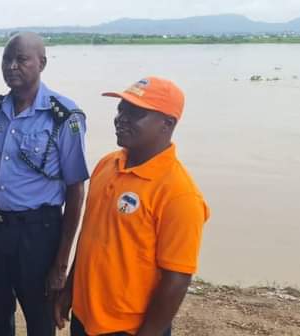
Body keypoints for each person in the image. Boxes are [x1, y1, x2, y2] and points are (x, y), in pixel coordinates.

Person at [54, 77, 210, 335]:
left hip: (128, 328)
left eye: (135, 113)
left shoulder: (180, 195)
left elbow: (177, 279)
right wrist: (70, 290)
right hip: (85, 316)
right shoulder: (107, 165)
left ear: (167, 123)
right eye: (121, 109)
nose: (121, 118)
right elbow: (89, 236)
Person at [0, 32, 89, 336]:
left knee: (39, 320)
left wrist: (61, 264)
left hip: (38, 234)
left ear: (42, 63)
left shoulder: (64, 116)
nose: (12, 66)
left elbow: (75, 191)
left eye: (21, 59)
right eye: (7, 59)